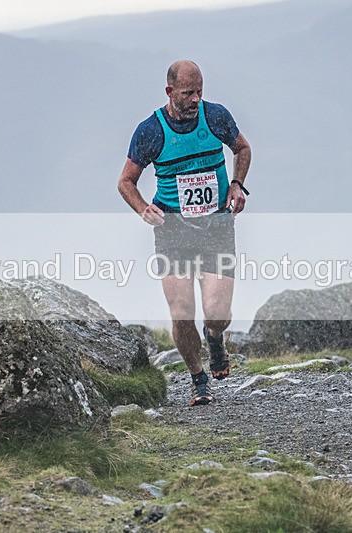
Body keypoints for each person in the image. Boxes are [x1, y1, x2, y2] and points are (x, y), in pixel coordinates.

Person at [117, 59, 252, 406]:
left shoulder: (216, 116)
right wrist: (143, 207)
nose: (195, 100)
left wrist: (236, 184)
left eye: (200, 92)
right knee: (180, 310)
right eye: (188, 93)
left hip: (216, 226)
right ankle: (198, 379)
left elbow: (242, 148)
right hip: (173, 229)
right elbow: (126, 182)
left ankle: (214, 336)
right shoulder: (151, 131)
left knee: (218, 312)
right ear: (170, 92)